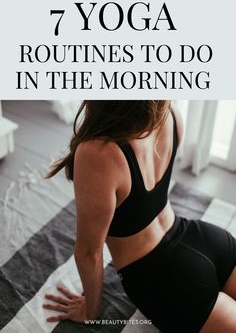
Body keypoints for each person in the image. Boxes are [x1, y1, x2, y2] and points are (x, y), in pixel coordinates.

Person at [43, 101, 236, 333]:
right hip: (208, 240)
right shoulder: (169, 113)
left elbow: (88, 252)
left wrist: (90, 312)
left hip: (166, 279)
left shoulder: (97, 152)